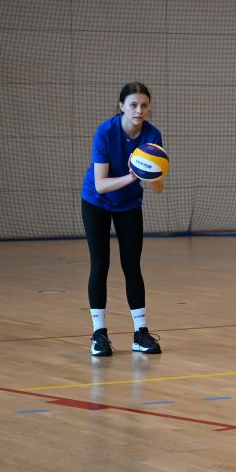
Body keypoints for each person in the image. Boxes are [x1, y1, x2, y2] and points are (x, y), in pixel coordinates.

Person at [81, 82, 165, 356]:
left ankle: (141, 333)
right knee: (100, 264)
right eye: (133, 105)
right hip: (97, 202)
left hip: (129, 204)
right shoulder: (106, 132)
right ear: (122, 107)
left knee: (132, 265)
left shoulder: (152, 135)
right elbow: (101, 184)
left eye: (144, 105)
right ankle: (99, 335)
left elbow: (158, 187)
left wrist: (155, 174)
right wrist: (132, 175)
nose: (139, 110)